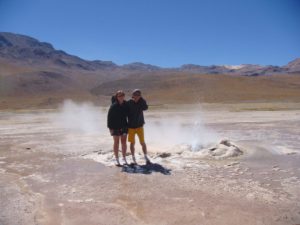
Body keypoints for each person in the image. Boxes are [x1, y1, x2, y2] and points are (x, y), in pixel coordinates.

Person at [127, 89, 150, 164]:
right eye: (135, 95)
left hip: (140, 126)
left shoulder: (141, 102)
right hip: (131, 127)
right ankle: (133, 158)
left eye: (138, 95)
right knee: (132, 143)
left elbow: (145, 108)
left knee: (142, 142)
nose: (136, 96)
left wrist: (141, 99)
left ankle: (146, 157)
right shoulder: (129, 103)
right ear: (132, 95)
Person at [107, 90, 128, 166]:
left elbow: (130, 113)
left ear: (124, 96)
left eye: (122, 95)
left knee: (124, 142)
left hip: (124, 126)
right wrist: (110, 128)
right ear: (117, 97)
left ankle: (124, 158)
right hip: (115, 127)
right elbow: (109, 117)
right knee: (116, 142)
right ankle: (116, 159)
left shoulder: (126, 104)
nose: (121, 97)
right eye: (119, 95)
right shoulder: (113, 106)